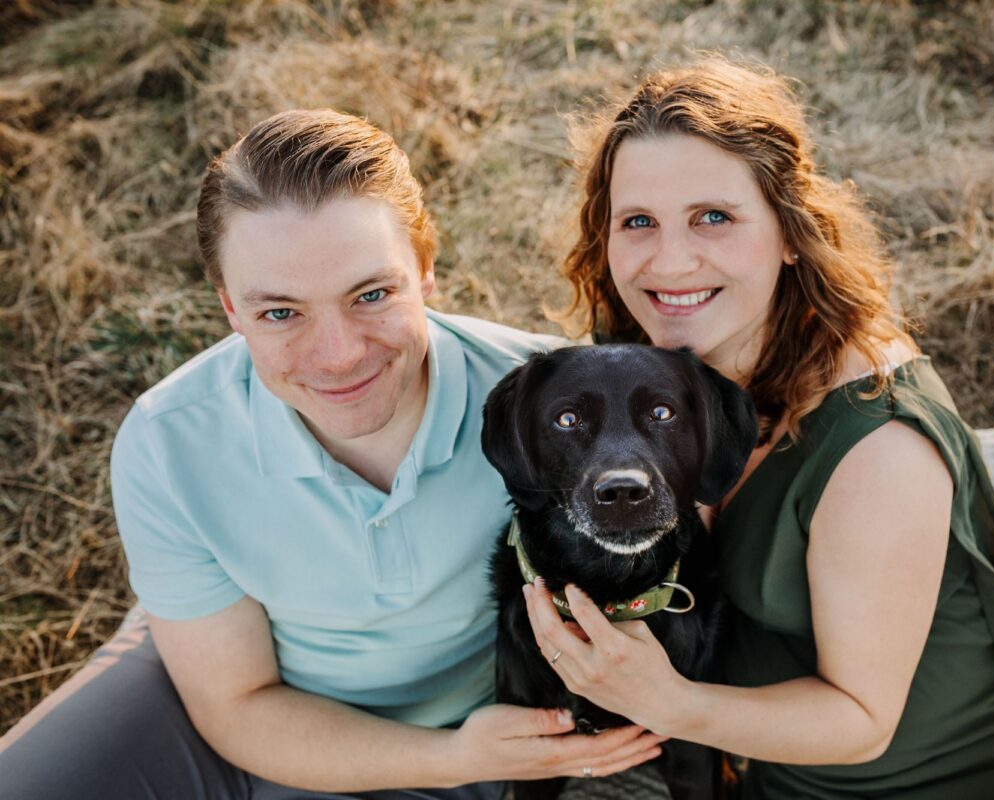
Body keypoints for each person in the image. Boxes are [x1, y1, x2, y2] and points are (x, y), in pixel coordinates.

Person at [522, 57, 994, 799]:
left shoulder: (877, 441)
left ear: (790, 233)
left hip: (991, 764)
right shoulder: (649, 356)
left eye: (713, 217)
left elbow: (863, 719)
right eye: (638, 222)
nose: (670, 261)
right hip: (785, 769)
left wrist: (667, 702)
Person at [0, 109, 667, 799]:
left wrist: (467, 755)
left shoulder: (554, 408)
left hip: (465, 740)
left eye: (371, 294)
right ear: (230, 308)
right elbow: (235, 701)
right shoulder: (168, 442)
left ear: (426, 270)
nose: (339, 356)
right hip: (227, 697)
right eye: (280, 312)